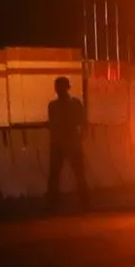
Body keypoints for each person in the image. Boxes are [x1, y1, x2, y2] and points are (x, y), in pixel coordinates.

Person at [47, 76, 90, 212]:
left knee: (57, 174)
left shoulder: (54, 106)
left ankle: (54, 202)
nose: (57, 89)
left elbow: (52, 124)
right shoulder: (73, 104)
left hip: (63, 143)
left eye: (59, 86)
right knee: (77, 173)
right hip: (69, 143)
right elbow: (83, 122)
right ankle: (84, 201)